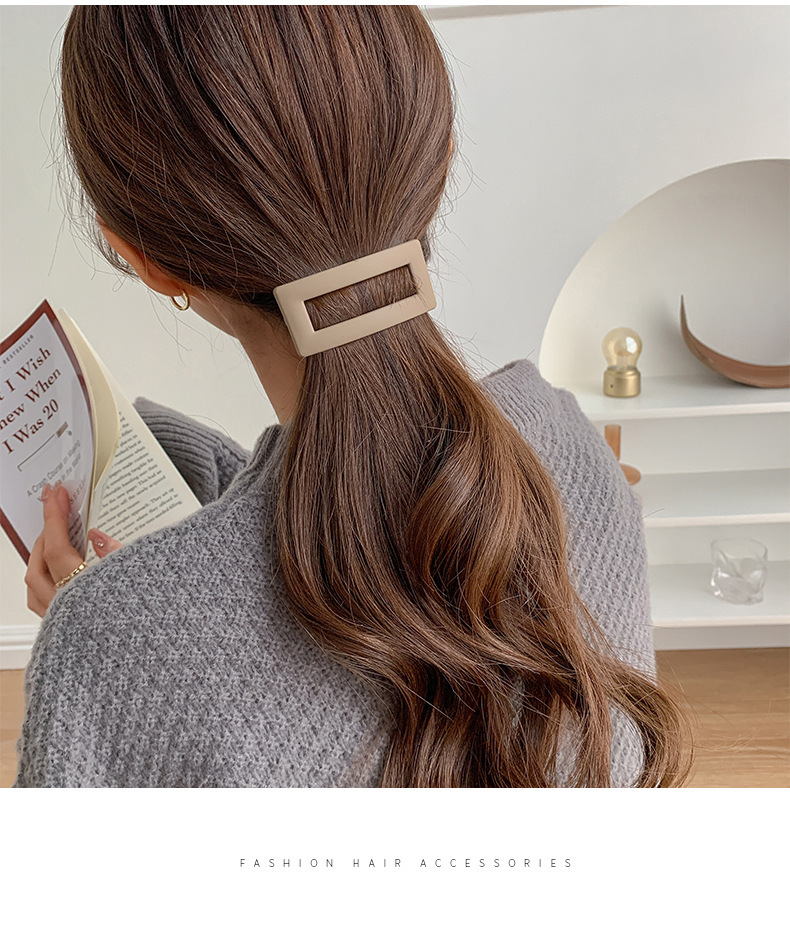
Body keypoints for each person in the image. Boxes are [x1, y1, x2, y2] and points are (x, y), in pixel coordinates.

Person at [15, 5, 688, 788]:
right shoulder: (571, 451)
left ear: (146, 261)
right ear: (439, 158)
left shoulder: (105, 647)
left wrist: (121, 634)